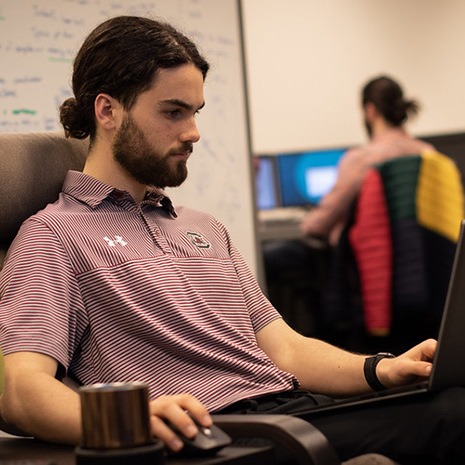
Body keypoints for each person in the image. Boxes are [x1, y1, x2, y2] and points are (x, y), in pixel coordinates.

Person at [0, 16, 464, 465]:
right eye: (173, 112)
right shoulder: (54, 236)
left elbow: (284, 349)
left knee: (452, 394)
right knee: (454, 415)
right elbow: (21, 392)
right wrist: (129, 418)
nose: (193, 132)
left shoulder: (203, 227)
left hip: (293, 410)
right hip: (226, 434)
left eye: (195, 112)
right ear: (108, 111)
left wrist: (383, 368)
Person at [300, 75, 435, 246]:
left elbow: (320, 224)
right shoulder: (430, 155)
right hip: (421, 258)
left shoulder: (362, 160)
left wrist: (306, 223)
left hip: (372, 259)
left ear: (370, 111)